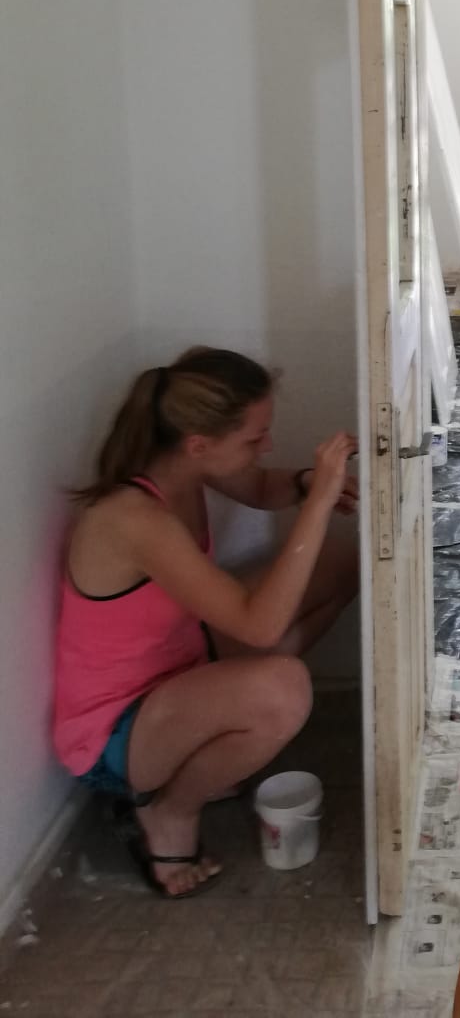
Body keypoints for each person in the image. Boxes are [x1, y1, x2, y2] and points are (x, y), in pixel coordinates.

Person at [53, 346, 359, 897]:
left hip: (178, 669)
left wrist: (304, 483)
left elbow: (260, 487)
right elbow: (259, 628)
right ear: (199, 445)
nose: (266, 447)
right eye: (254, 439)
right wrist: (317, 505)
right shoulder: (133, 518)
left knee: (339, 563)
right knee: (283, 689)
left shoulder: (182, 469)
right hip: (115, 736)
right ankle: (169, 810)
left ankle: (211, 747)